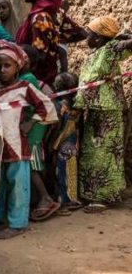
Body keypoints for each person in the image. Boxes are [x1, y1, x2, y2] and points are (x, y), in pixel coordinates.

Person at [0, 41, 57, 239]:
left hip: (17, 144)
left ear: (18, 66)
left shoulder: (24, 87)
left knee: (18, 183)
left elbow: (46, 106)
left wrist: (31, 123)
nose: (2, 70)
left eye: (7, 65)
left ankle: (18, 223)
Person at [74, 17, 132, 213]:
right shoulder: (96, 54)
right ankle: (93, 194)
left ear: (99, 38)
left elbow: (127, 45)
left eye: (90, 33)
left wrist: (123, 36)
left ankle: (103, 197)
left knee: (104, 155)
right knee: (92, 153)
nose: (86, 37)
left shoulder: (109, 50)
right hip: (95, 110)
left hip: (109, 111)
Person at [15, 0, 86, 85]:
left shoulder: (40, 18)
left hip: (37, 79)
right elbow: (81, 33)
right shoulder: (55, 13)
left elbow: (39, 56)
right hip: (50, 75)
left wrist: (55, 43)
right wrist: (55, 42)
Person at [18, 45, 60, 221]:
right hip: (28, 123)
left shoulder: (28, 78)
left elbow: (41, 106)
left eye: (25, 57)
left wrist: (29, 124)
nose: (21, 58)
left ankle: (45, 198)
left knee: (31, 162)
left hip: (34, 123)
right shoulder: (20, 77)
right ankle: (37, 198)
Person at [50, 72, 82, 214]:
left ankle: (63, 201)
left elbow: (57, 128)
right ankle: (72, 199)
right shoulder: (78, 104)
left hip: (61, 142)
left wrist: (51, 144)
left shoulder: (60, 106)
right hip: (73, 141)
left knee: (61, 172)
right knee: (71, 171)